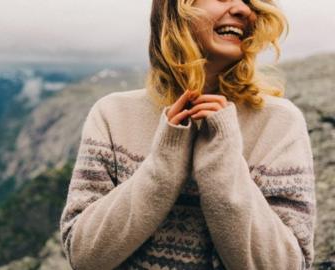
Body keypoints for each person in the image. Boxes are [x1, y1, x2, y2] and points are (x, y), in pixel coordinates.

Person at [60, 0, 316, 269]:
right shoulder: (112, 114)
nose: (243, 9)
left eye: (249, 1)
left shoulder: (279, 123)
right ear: (175, 8)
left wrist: (223, 165)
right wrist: (163, 165)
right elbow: (83, 256)